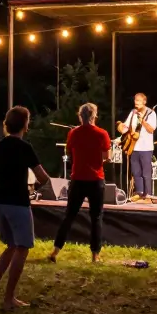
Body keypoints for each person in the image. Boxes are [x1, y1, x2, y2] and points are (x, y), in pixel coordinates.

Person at [0, 106, 50, 311]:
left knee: (11, 245)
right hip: (17, 202)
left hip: (0, 201)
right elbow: (43, 177)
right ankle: (9, 298)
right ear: (25, 124)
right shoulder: (24, 147)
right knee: (22, 248)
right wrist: (33, 190)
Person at [48, 102, 110, 264]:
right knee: (96, 217)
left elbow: (70, 151)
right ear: (94, 116)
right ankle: (95, 255)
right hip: (96, 180)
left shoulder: (73, 133)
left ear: (79, 116)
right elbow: (106, 157)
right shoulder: (102, 134)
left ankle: (55, 251)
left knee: (69, 216)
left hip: (78, 179)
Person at [116, 93, 157, 202]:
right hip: (134, 147)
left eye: (138, 101)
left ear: (144, 102)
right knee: (136, 172)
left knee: (146, 173)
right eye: (135, 100)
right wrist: (121, 127)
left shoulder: (151, 113)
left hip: (146, 148)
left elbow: (151, 129)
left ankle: (148, 195)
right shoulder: (133, 113)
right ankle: (139, 193)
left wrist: (142, 121)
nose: (136, 103)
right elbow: (127, 127)